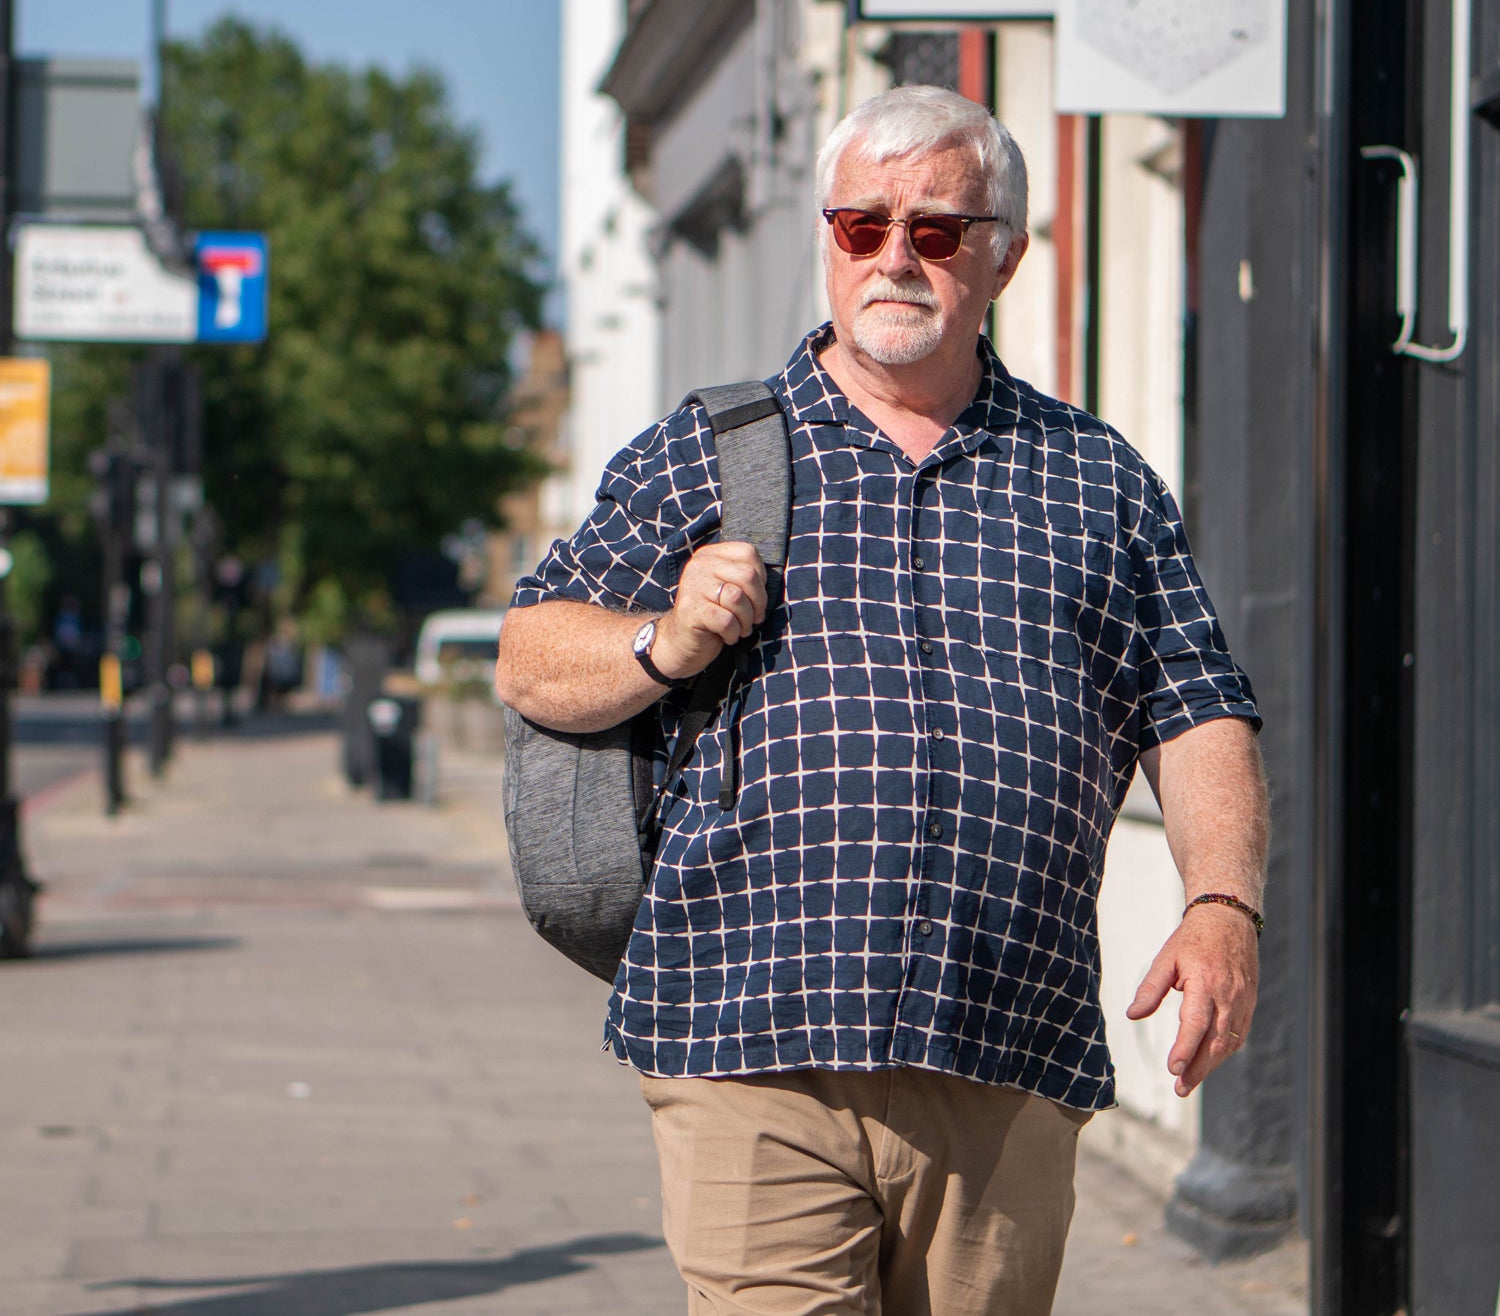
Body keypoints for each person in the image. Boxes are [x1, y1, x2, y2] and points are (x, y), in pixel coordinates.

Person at [496, 85, 1268, 1316]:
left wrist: (1222, 905)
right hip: (752, 1037)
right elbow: (532, 654)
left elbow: (1195, 706)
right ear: (828, 241)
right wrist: (667, 636)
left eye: (937, 230)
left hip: (1005, 1042)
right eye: (863, 227)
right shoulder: (708, 450)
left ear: (1005, 256)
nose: (895, 256)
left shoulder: (1094, 478)